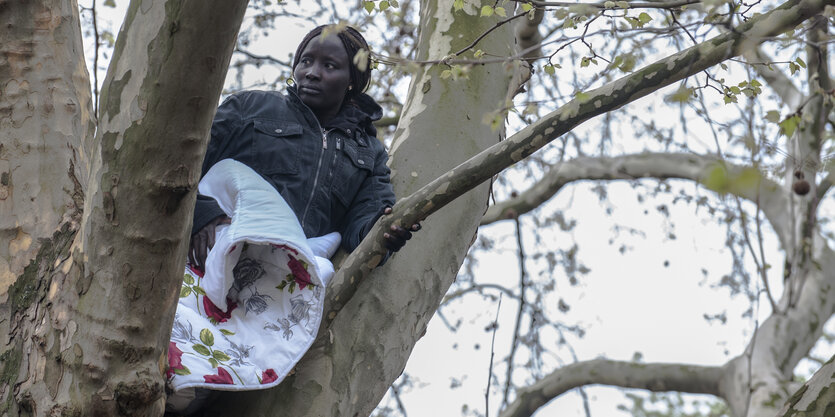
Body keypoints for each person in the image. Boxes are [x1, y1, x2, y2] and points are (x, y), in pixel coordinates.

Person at [188, 24, 419, 271]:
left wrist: (385, 233)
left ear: (351, 79)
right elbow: (183, 162)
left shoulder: (369, 152)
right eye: (306, 61)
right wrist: (202, 214)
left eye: (329, 66)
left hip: (288, 280)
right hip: (207, 258)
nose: (311, 72)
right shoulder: (249, 108)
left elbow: (362, 226)